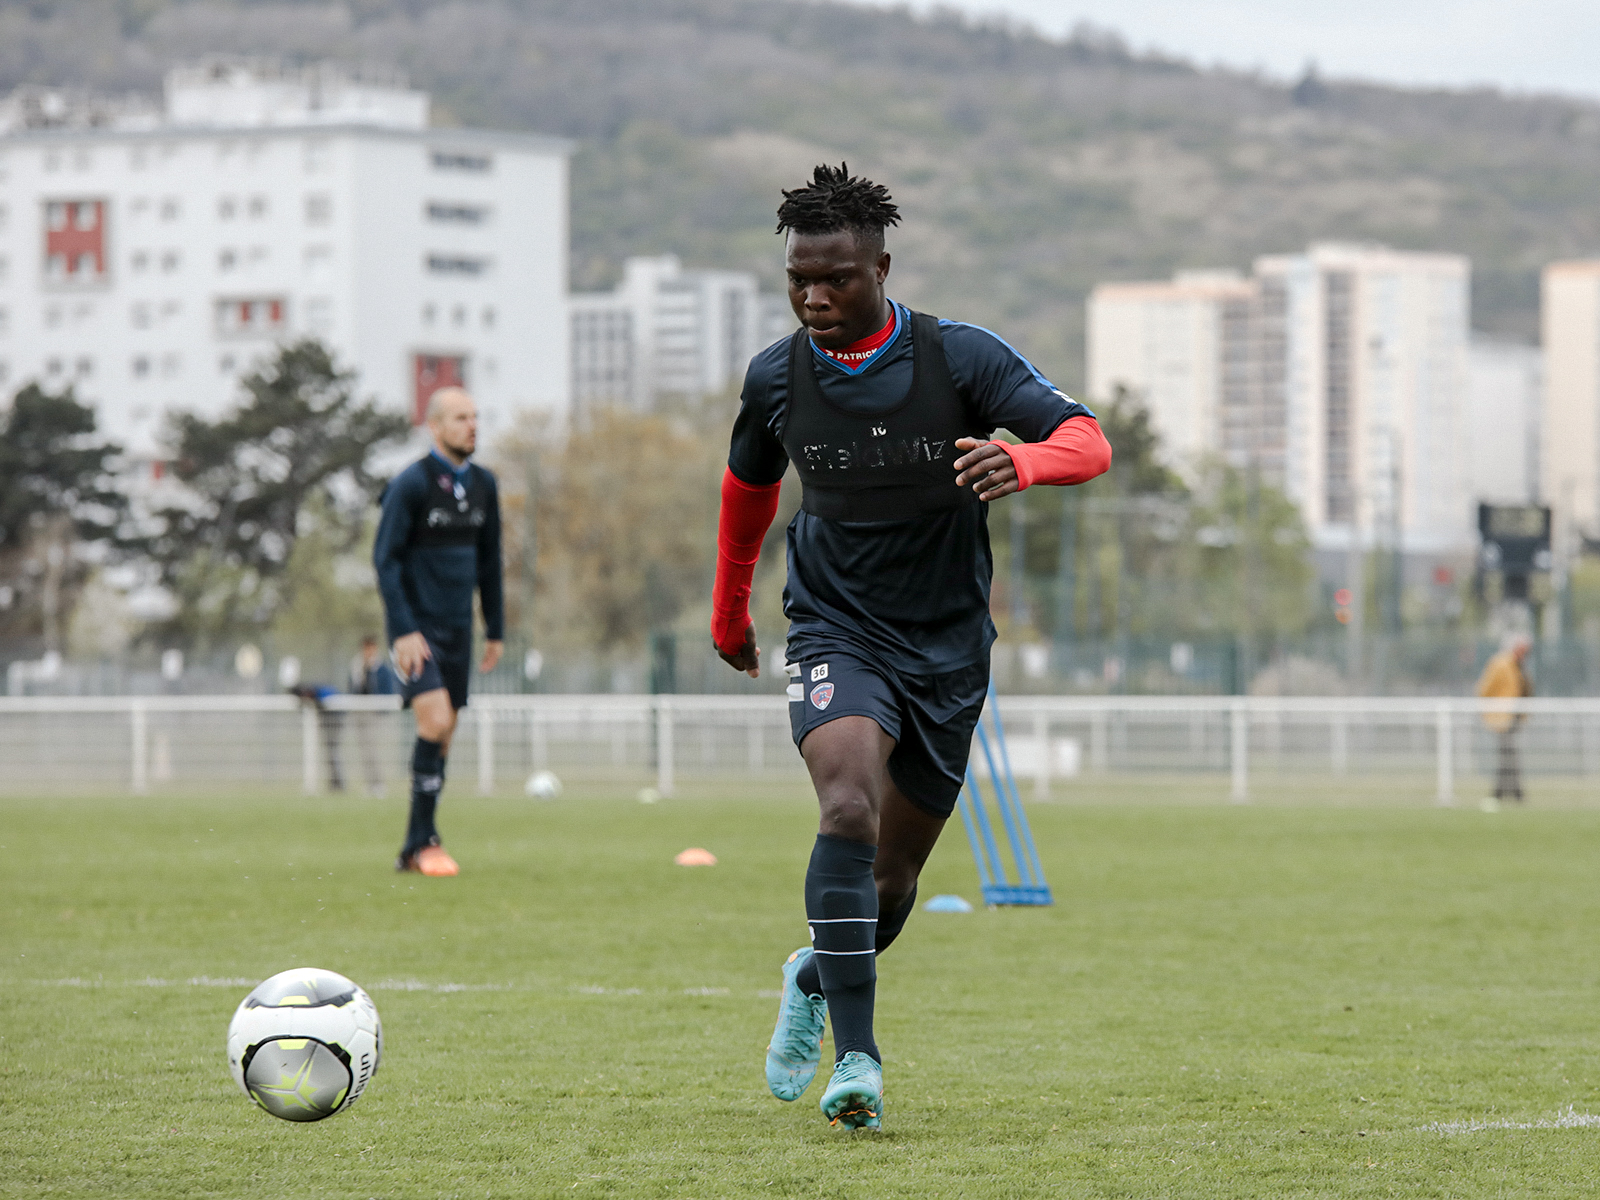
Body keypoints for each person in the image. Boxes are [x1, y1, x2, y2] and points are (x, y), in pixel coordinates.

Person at [711, 164, 1112, 1130]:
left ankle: (814, 974)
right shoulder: (775, 377)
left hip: (945, 648)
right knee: (844, 802)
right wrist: (730, 612)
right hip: (835, 629)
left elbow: (1089, 441)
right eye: (800, 278)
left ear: (881, 267)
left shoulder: (960, 361)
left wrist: (1023, 456)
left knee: (890, 886)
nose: (816, 296)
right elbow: (746, 497)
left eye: (837, 277)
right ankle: (860, 1059)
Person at [373, 387, 504, 876]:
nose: (471, 425)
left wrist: (495, 628)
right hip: (416, 631)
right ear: (435, 426)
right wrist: (403, 630)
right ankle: (425, 842)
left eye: (475, 416)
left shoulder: (486, 486)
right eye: (460, 418)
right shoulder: (410, 484)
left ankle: (413, 845)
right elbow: (384, 562)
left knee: (444, 733)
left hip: (458, 631)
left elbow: (490, 562)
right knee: (434, 722)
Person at [1477, 633, 1533, 806]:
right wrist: (1496, 708)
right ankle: (1508, 793)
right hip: (1503, 717)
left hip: (1514, 717)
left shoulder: (1519, 665)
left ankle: (1508, 793)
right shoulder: (1501, 663)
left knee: (1509, 755)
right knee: (1507, 756)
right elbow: (1484, 689)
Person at [349, 634, 398, 798]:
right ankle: (370, 783)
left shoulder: (381, 669)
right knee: (364, 750)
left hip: (375, 714)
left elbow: (385, 690)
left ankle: (378, 783)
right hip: (360, 712)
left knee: (373, 750)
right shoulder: (356, 666)